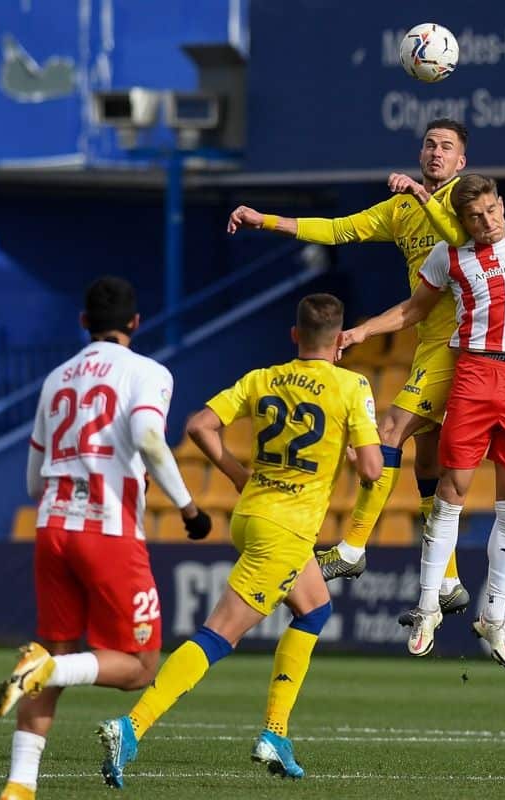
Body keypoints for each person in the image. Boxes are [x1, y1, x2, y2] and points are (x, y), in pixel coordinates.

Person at [97, 293, 382, 786]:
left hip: (251, 513)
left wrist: (235, 472)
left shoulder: (261, 378)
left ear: (295, 336)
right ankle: (132, 726)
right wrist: (360, 455)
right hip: (288, 529)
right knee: (219, 634)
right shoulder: (352, 385)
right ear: (340, 341)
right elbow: (374, 469)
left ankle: (276, 732)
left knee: (314, 608)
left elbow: (199, 426)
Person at [226, 118, 472, 620]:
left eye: (447, 147)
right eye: (429, 144)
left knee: (388, 429)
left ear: (462, 162)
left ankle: (354, 549)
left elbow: (461, 237)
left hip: (461, 342)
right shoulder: (403, 209)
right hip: (429, 341)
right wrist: (267, 221)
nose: (435, 153)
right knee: (427, 466)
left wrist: (423, 198)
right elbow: (339, 230)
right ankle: (448, 581)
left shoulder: (467, 202)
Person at [339, 175, 505, 667]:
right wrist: (363, 329)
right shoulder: (448, 257)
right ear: (460, 221)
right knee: (452, 494)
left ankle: (493, 619)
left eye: (492, 211)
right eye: (475, 217)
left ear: (502, 206)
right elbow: (412, 310)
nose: (487, 222)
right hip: (474, 373)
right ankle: (428, 606)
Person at [0, 277, 212, 800]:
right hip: (108, 532)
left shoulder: (56, 378)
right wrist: (188, 506)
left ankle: (20, 786)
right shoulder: (148, 372)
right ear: (136, 323)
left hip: (52, 528)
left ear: (82, 322)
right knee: (139, 667)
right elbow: (147, 437)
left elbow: (31, 480)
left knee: (56, 646)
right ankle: (46, 667)